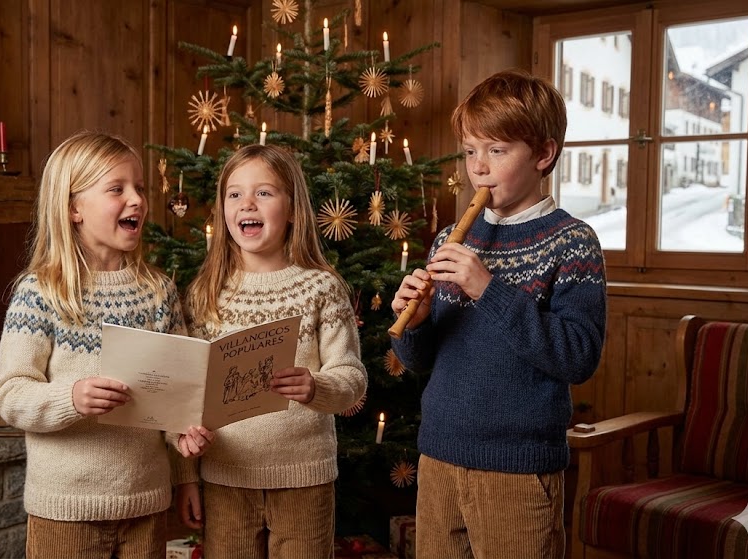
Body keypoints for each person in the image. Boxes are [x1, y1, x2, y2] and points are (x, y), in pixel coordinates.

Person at [390, 68, 607, 559]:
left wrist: (489, 289)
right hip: (440, 455)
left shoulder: (572, 242)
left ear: (544, 155)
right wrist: (416, 321)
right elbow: (423, 360)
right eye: (470, 151)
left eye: (497, 150)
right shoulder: (450, 238)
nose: (479, 168)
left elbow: (579, 357)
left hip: (518, 468)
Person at [0, 131, 213, 559]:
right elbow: (10, 393)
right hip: (65, 511)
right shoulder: (41, 293)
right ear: (74, 207)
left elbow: (179, 396)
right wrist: (70, 397)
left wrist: (187, 473)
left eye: (140, 188)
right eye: (117, 189)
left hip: (147, 503)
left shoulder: (159, 292)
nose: (137, 200)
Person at [174, 144, 368, 559]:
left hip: (304, 478)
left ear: (293, 209)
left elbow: (351, 377)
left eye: (264, 193)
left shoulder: (321, 288)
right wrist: (187, 476)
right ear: (223, 211)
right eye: (235, 194)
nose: (248, 203)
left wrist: (316, 386)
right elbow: (186, 395)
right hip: (225, 478)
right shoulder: (204, 295)